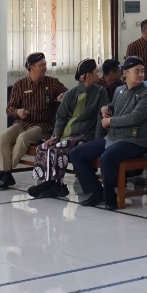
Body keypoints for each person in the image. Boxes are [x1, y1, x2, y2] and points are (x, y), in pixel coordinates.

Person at [70, 57, 147, 209]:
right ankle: (96, 191)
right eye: (137, 71)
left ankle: (110, 198)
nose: (141, 75)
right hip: (113, 137)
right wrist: (105, 108)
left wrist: (110, 122)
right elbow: (114, 106)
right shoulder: (120, 90)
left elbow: (134, 117)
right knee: (77, 153)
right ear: (126, 73)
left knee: (107, 157)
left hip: (133, 142)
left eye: (143, 71)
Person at [28, 59, 104, 199]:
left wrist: (98, 141)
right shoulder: (71, 94)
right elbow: (61, 116)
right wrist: (56, 135)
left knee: (58, 149)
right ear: (87, 75)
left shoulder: (100, 92)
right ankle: (51, 183)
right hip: (68, 134)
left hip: (86, 136)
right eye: (95, 71)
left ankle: (55, 185)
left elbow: (101, 119)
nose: (98, 74)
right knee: (44, 147)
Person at [0, 52, 68, 190]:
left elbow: (68, 95)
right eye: (41, 65)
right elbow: (9, 108)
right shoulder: (20, 85)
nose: (45, 67)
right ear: (31, 67)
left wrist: (63, 96)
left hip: (43, 125)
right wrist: (18, 112)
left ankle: (5, 171)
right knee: (3, 137)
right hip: (22, 123)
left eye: (45, 64)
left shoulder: (52, 83)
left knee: (23, 138)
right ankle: (6, 174)